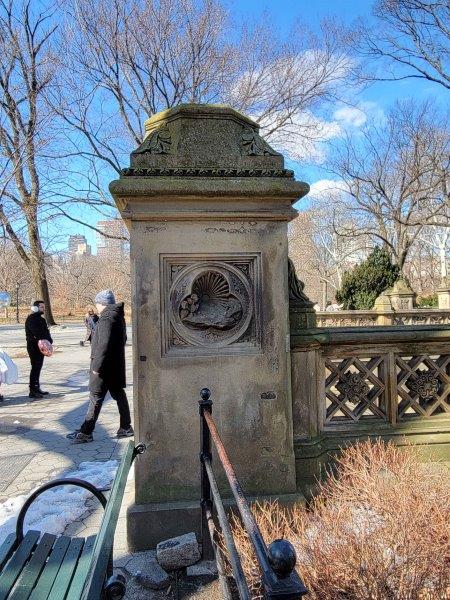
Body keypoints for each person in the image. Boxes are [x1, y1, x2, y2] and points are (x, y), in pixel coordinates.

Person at [67, 289, 133, 443]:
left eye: (97, 303)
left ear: (102, 303)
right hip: (114, 366)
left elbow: (103, 345)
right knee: (118, 395)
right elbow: (123, 339)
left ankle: (86, 432)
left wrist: (96, 366)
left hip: (104, 369)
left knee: (95, 397)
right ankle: (125, 426)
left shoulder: (106, 318)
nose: (96, 306)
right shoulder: (118, 316)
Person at [25, 300, 53, 399]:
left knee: (38, 367)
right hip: (33, 347)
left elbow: (46, 331)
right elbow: (38, 333)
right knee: (35, 368)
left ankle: (37, 388)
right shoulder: (31, 319)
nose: (44, 309)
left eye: (44, 307)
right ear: (35, 308)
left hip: (41, 347)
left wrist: (49, 340)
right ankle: (32, 390)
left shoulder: (41, 319)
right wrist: (45, 338)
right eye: (41, 307)